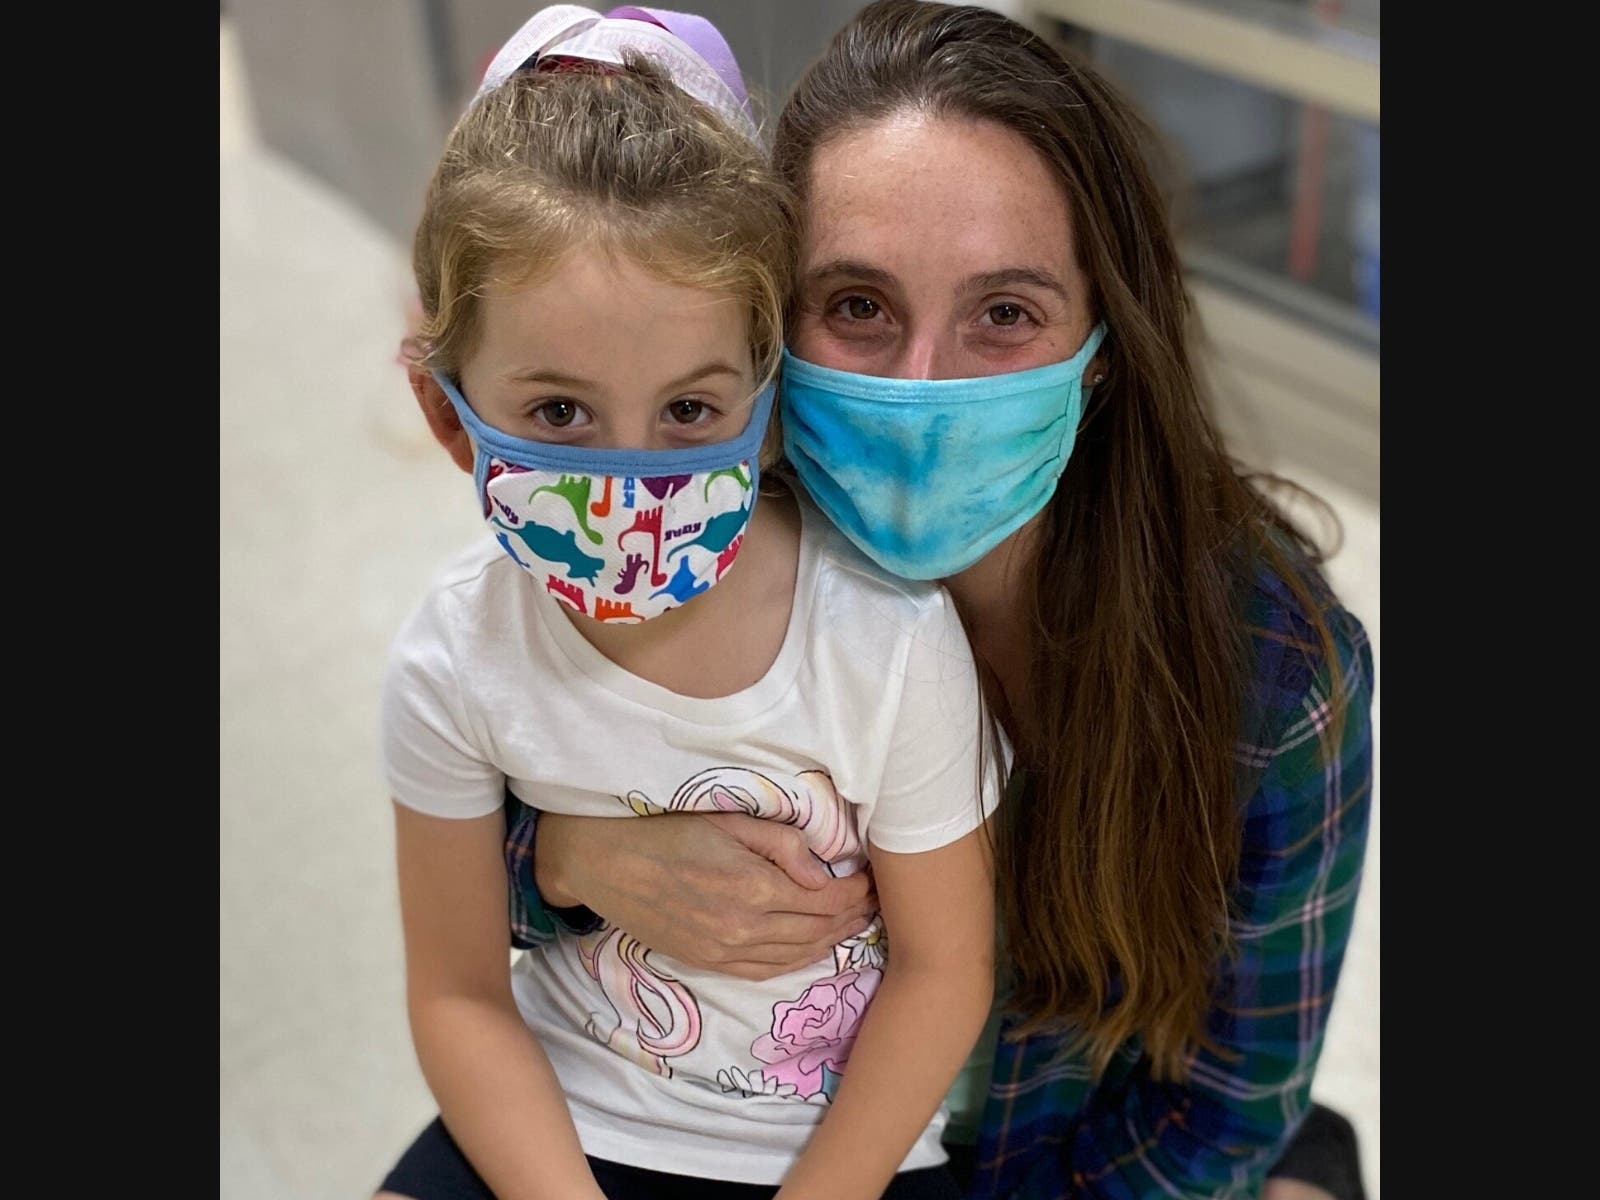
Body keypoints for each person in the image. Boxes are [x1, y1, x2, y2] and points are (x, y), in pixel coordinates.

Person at [515, 3, 1376, 1198]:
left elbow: (1227, 1112)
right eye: (857, 307)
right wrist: (561, 860)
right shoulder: (670, 539)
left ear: (1105, 348)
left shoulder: (1273, 676)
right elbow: (479, 756)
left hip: (1060, 1157)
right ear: (768, 323)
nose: (921, 387)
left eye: (1004, 315)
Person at [375, 6, 1003, 1199]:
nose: (630, 475)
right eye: (558, 413)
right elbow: (457, 993)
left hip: (845, 1159)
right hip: (555, 1122)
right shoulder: (452, 661)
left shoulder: (888, 639)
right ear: (450, 415)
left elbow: (943, 974)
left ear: (765, 396)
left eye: (689, 412)